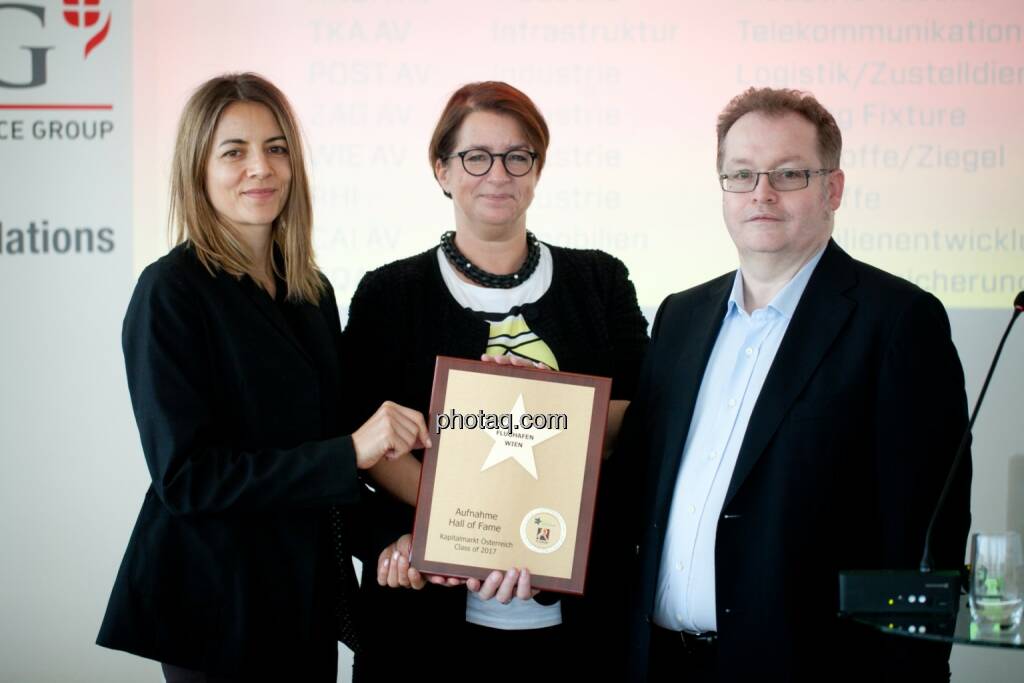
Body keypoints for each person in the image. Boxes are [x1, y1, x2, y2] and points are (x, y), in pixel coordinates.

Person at [614, 87, 972, 682]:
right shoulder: (680, 318)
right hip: (660, 664)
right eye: (742, 174)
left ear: (833, 189)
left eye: (789, 173)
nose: (762, 193)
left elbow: (923, 538)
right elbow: (638, 493)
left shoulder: (898, 322)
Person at [95, 73, 430, 682]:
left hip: (303, 598)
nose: (262, 168)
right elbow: (187, 478)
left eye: (277, 148)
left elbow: (326, 460)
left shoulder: (311, 291)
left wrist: (396, 536)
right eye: (235, 151)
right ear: (197, 167)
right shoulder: (171, 292)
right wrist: (352, 449)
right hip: (218, 607)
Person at [342, 81, 649, 680]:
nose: (498, 174)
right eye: (475, 157)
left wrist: (544, 400)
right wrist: (457, 525)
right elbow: (365, 442)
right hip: (426, 622)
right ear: (442, 170)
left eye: (518, 156)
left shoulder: (601, 281)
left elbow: (639, 417)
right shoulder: (388, 294)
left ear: (537, 169)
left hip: (581, 623)